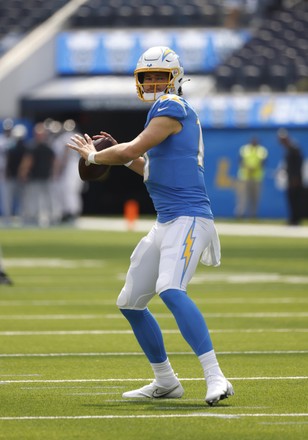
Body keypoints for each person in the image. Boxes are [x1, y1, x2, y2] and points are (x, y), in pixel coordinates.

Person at [67, 46, 234, 406]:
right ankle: (166, 381)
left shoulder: (170, 107)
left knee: (172, 290)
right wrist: (120, 154)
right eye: (148, 77)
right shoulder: (166, 113)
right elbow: (147, 167)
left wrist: (95, 155)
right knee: (130, 303)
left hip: (189, 217)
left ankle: (215, 375)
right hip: (167, 220)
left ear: (175, 77)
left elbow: (130, 152)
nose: (155, 82)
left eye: (161, 75)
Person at [235, 136, 268, 219]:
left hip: (257, 177)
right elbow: (240, 161)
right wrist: (247, 167)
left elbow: (263, 162)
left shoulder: (261, 150)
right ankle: (240, 214)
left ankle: (253, 214)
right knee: (242, 197)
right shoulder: (244, 149)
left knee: (255, 197)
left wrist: (254, 168)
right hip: (244, 176)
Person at [277, 128, 304, 225]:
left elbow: (298, 164)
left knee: (295, 200)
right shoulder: (288, 148)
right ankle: (293, 219)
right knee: (291, 199)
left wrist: (295, 178)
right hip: (290, 179)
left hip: (295, 179)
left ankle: (296, 220)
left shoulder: (293, 147)